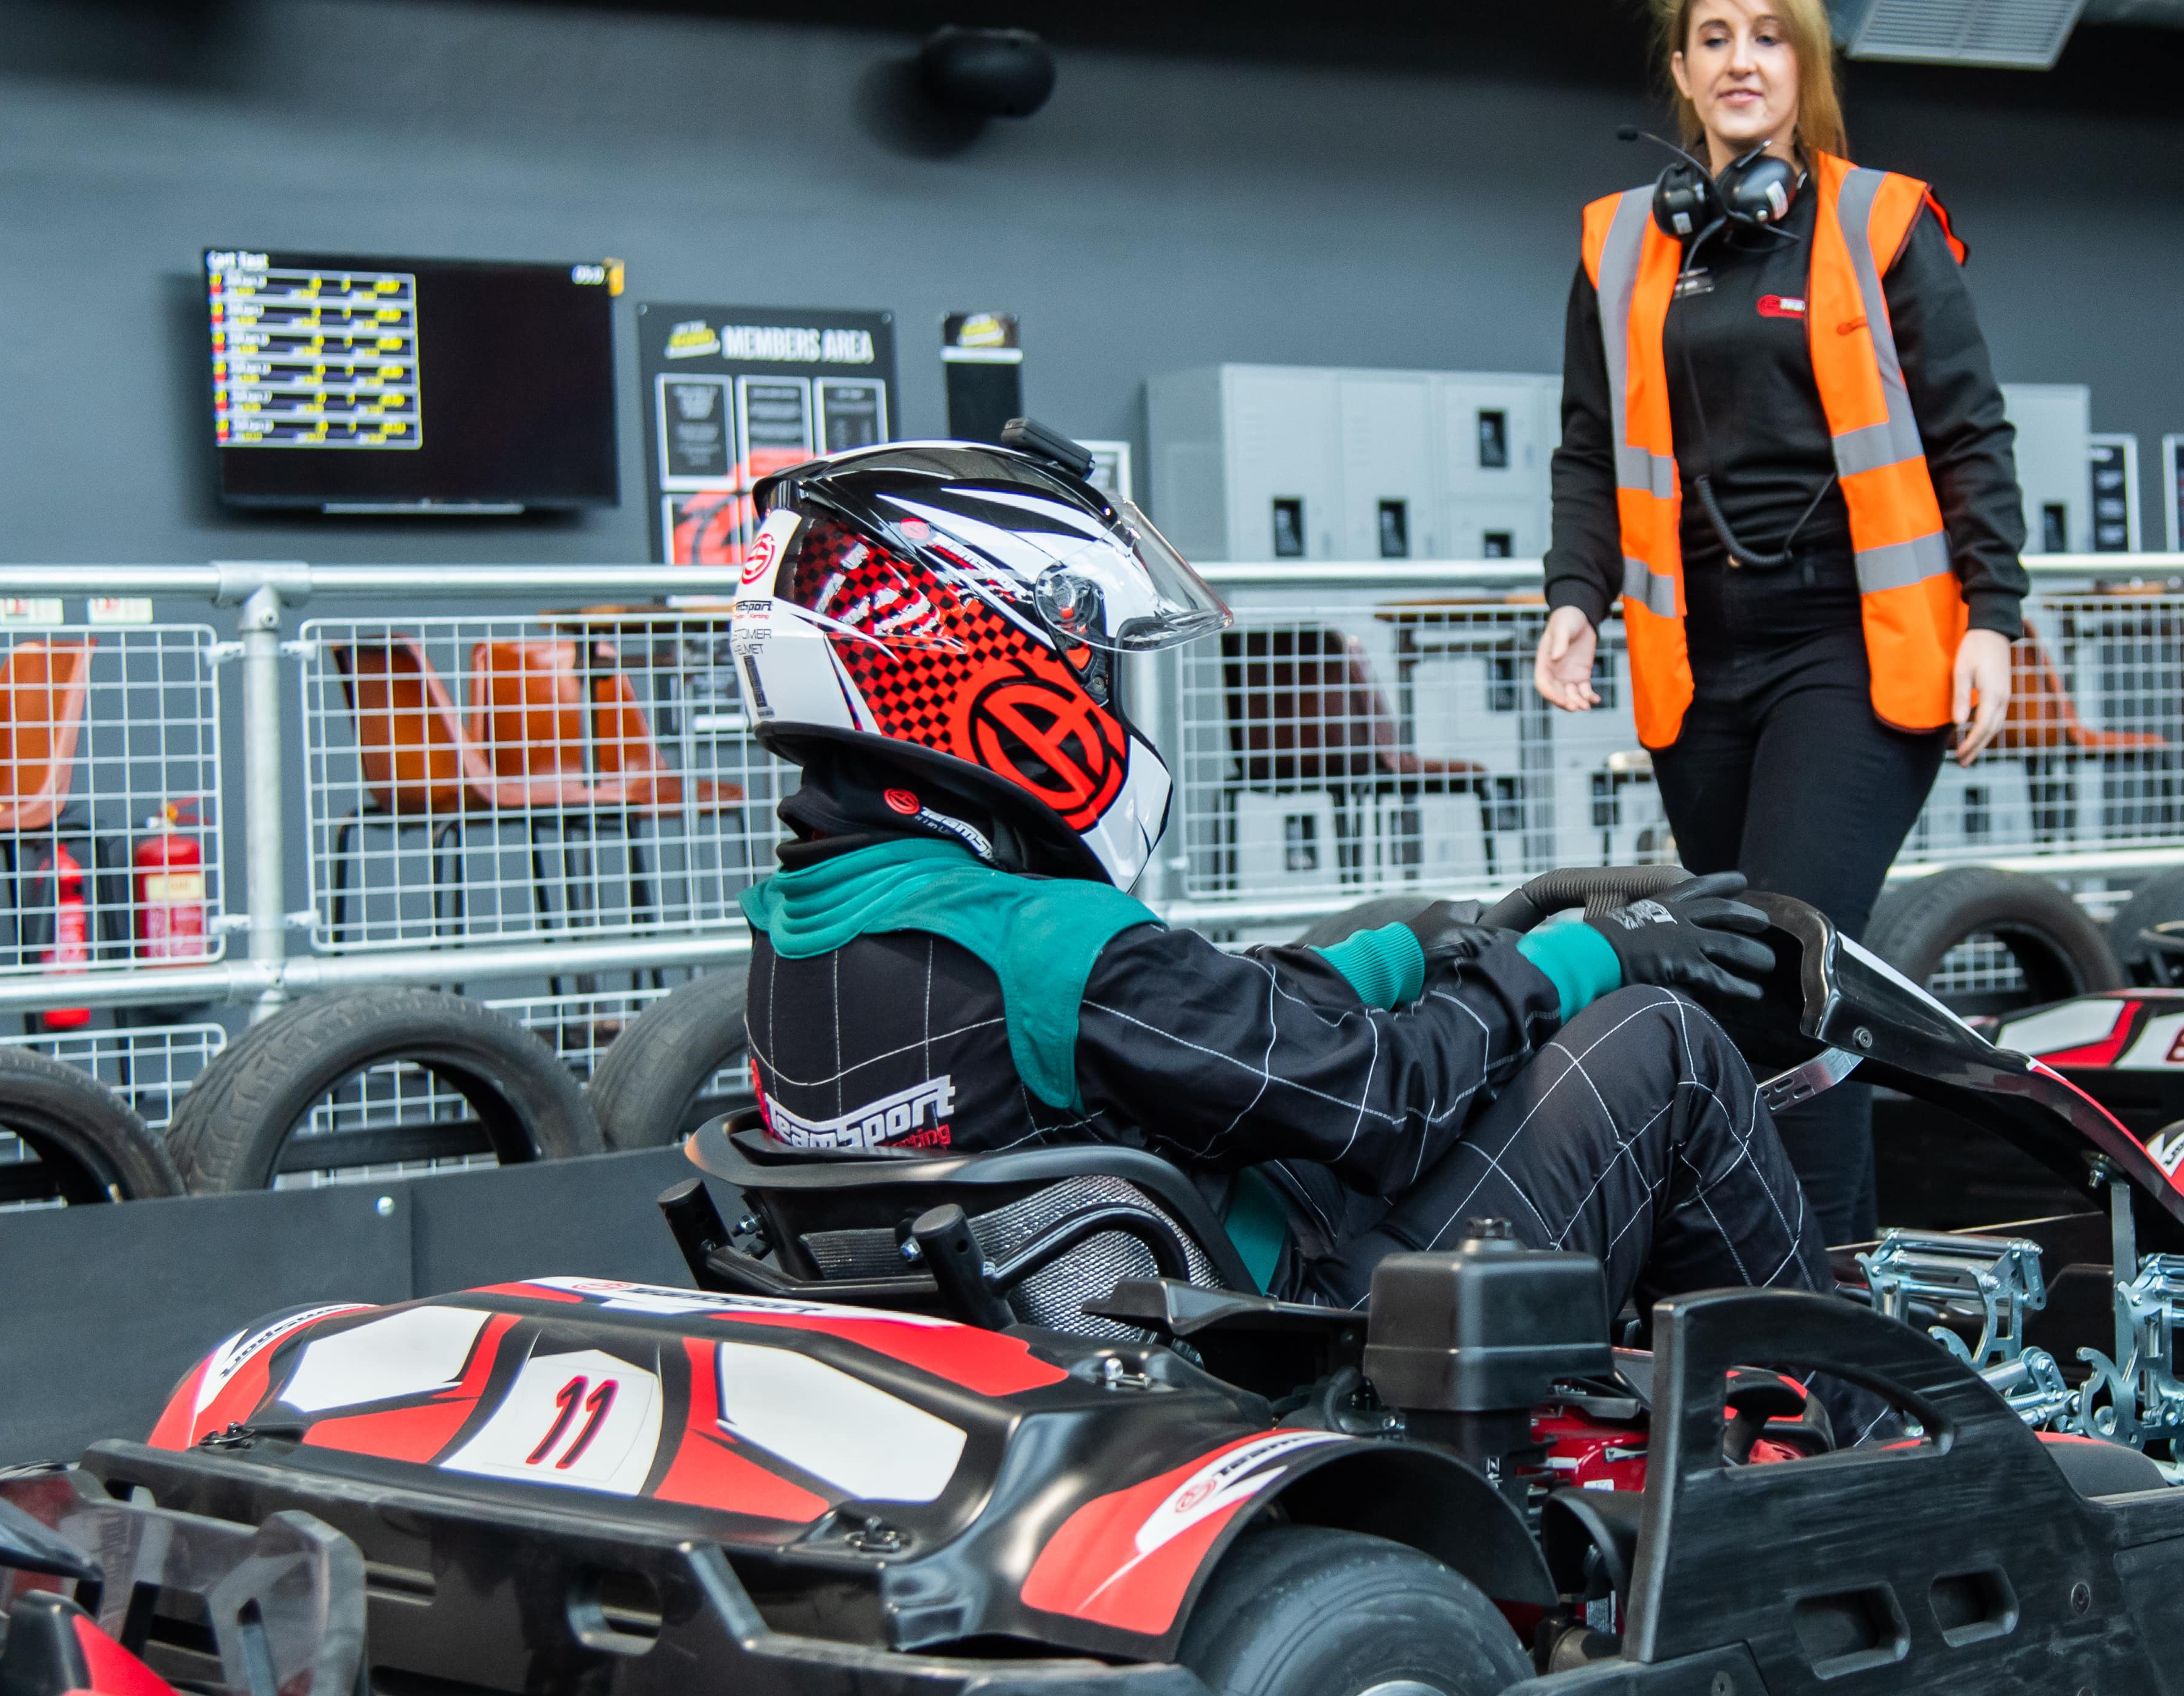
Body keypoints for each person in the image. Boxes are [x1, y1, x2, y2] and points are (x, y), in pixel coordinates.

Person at [723, 427, 1841, 1325]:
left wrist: (1403, 952)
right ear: (985, 668)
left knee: (1497, 1023)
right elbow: (1389, 1103)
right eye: (1083, 660)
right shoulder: (1043, 942)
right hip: (1299, 1336)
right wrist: (1580, 955)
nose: (1097, 693)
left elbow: (1176, 1031)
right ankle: (1857, 1431)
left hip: (1101, 1321)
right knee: (1666, 1043)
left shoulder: (801, 936)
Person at [1537, 0, 2030, 1248]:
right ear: (1683, 72)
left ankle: (1828, 1300)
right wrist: (1574, 593)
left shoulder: (1880, 219)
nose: (1739, 59)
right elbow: (1591, 445)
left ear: (1804, 64)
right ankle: (1772, 1280)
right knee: (1729, 971)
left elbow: (1969, 432)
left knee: (1788, 960)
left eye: (1767, 35)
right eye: (1712, 37)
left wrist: (1992, 616)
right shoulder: (1618, 241)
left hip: (1852, 646)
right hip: (1698, 658)